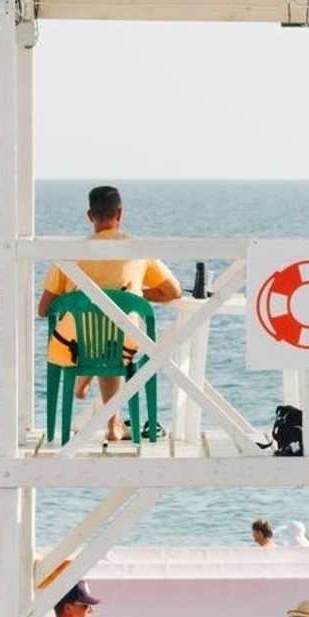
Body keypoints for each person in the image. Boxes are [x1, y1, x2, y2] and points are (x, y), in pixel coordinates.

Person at [36, 185, 182, 442]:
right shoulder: (137, 250)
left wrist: (85, 299)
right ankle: (113, 421)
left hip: (75, 345)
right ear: (120, 214)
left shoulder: (69, 255)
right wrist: (133, 296)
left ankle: (96, 395)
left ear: (90, 216)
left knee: (96, 332)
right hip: (124, 339)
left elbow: (44, 309)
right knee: (113, 333)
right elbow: (173, 291)